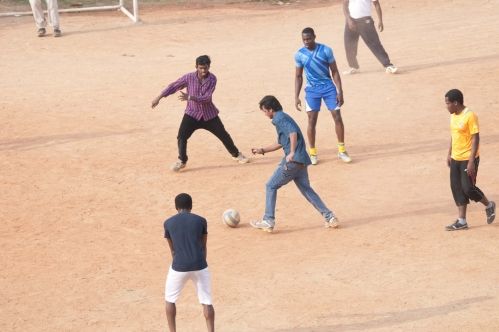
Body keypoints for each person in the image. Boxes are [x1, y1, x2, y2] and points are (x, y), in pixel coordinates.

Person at [250, 95, 339, 233]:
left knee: (270, 186)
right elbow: (280, 142)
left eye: (264, 111)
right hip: (301, 161)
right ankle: (330, 217)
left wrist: (291, 152)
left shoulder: (279, 118)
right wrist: (262, 150)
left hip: (293, 161)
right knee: (307, 190)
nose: (264, 114)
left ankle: (268, 220)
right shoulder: (282, 117)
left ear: (270, 109)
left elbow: (292, 134)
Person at [151, 55, 249, 171]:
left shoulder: (212, 79)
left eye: (205, 68)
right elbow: (174, 86)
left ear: (209, 67)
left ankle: (236, 154)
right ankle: (182, 160)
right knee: (182, 137)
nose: (203, 71)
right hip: (192, 113)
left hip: (209, 115)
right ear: (196, 67)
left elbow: (207, 98)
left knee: (223, 135)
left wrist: (190, 97)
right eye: (201, 68)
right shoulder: (188, 77)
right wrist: (159, 97)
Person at [295, 27, 351, 165]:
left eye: (308, 39)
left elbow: (335, 71)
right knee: (312, 120)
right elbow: (298, 76)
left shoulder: (326, 50)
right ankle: (312, 153)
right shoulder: (299, 54)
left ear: (314, 37)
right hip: (312, 90)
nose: (306, 42)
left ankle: (342, 150)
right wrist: (296, 96)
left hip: (328, 88)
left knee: (337, 115)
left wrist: (340, 91)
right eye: (304, 39)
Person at [445, 89, 495, 231]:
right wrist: (449, 153)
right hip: (456, 157)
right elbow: (454, 135)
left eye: (448, 103)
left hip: (468, 158)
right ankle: (462, 221)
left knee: (468, 188)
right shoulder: (453, 115)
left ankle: (489, 205)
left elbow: (475, 138)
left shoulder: (470, 116)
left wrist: (472, 160)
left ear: (456, 103)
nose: (446, 106)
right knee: (457, 188)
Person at [163, 193, 215, 332]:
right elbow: (203, 246)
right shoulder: (201, 221)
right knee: (207, 302)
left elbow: (172, 250)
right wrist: (200, 262)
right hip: (200, 264)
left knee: (170, 300)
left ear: (176, 207)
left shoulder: (168, 223)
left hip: (179, 266)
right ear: (191, 206)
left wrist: (180, 262)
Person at [342, 0, 397, 74]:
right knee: (349, 45)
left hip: (365, 21)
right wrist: (349, 20)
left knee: (375, 44)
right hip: (351, 21)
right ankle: (353, 67)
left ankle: (388, 65)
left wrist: (380, 20)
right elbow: (345, 6)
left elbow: (376, 4)